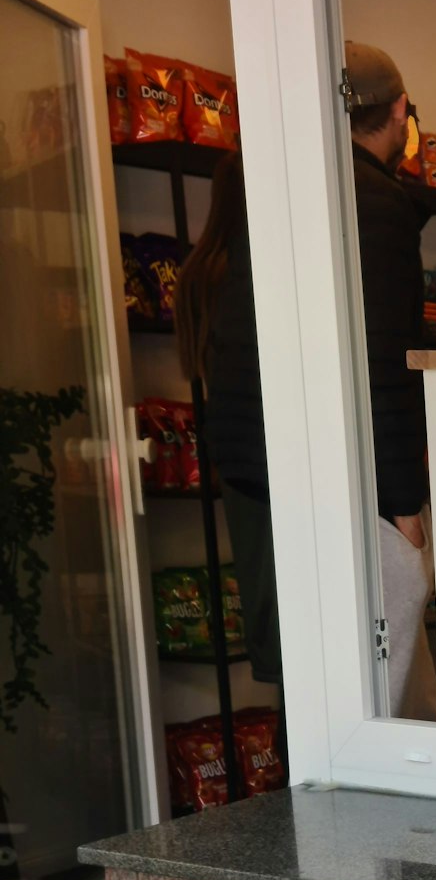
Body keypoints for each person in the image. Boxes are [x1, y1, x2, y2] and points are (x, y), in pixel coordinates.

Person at [342, 41, 436, 720]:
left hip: (284, 470)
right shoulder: (377, 203)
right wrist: (407, 500)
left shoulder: (295, 185)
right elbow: (387, 356)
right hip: (371, 474)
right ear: (400, 110)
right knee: (390, 665)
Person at [176, 154, 283, 687]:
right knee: (307, 632)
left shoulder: (200, 269)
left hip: (233, 458)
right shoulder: (251, 271)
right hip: (271, 457)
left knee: (270, 616)